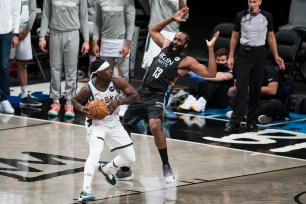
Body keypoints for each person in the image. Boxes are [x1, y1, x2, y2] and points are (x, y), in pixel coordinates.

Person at [121, 7, 219, 183]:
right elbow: (152, 29)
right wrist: (172, 19)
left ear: (185, 45)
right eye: (175, 38)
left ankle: (166, 166)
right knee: (125, 126)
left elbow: (211, 73)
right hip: (142, 93)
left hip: (158, 96)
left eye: (179, 40)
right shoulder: (165, 46)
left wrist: (211, 49)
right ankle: (125, 166)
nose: (175, 41)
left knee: (155, 125)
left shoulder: (186, 61)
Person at [71, 59, 140, 203]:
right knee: (95, 152)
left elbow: (135, 96)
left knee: (130, 158)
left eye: (110, 68)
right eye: (107, 70)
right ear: (99, 74)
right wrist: (83, 109)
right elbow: (75, 100)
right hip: (96, 124)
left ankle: (108, 169)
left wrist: (118, 102)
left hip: (114, 123)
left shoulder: (117, 82)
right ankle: (85, 191)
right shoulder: (88, 88)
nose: (110, 71)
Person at [224, 0, 285, 134]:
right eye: (250, 1)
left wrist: (276, 56)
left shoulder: (267, 16)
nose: (252, 4)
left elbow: (271, 37)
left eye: (254, 1)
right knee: (241, 87)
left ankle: (251, 121)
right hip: (244, 53)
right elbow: (234, 37)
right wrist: (231, 56)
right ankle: (235, 121)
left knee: (255, 88)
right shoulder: (240, 16)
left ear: (260, 2)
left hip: (259, 53)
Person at [39, 0, 89, 118]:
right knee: (55, 68)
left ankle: (70, 102)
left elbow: (83, 17)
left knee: (71, 70)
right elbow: (46, 14)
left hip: (73, 33)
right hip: (55, 33)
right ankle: (55, 101)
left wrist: (86, 39)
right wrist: (42, 36)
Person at [92, 0, 136, 83]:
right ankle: (108, 95)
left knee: (123, 75)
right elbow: (97, 22)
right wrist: (95, 43)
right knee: (105, 74)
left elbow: (130, 23)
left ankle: (123, 95)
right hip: (105, 42)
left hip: (121, 42)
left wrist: (127, 44)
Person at [10, 0, 41, 107]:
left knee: (23, 64)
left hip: (24, 30)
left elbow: (33, 11)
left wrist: (26, 31)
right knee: (5, 64)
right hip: (8, 29)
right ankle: (2, 96)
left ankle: (24, 96)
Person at [141, 0, 188, 69]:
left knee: (168, 66)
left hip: (173, 33)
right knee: (151, 65)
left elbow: (184, 16)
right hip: (156, 31)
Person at [0, 0, 21, 114]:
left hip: (6, 32)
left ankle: (4, 99)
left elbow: (16, 11)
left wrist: (15, 33)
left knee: (4, 66)